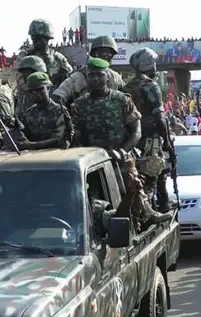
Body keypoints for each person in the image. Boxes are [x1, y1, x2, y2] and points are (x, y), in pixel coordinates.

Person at [72, 57, 171, 226]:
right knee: (94, 198)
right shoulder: (79, 105)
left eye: (99, 75)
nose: (95, 79)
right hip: (93, 161)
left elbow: (136, 131)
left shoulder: (122, 100)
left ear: (107, 77)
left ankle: (146, 216)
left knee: (134, 186)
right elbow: (77, 137)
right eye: (91, 75)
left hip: (121, 156)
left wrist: (123, 151)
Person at [124, 47, 175, 211]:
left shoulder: (127, 87)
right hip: (150, 138)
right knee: (152, 175)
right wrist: (167, 142)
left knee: (152, 173)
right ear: (148, 65)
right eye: (154, 64)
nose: (156, 68)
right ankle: (148, 211)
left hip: (133, 138)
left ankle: (162, 203)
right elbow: (160, 118)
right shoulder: (150, 86)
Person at [52, 35, 125, 108]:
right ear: (94, 54)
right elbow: (58, 96)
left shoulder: (115, 76)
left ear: (112, 55)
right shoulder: (78, 76)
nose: (104, 54)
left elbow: (127, 94)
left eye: (108, 51)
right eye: (100, 51)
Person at [16, 72, 73, 151]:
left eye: (39, 89)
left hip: (56, 156)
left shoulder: (60, 111)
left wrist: (32, 145)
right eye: (31, 91)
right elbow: (24, 135)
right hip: (33, 158)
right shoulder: (29, 113)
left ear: (48, 88)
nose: (34, 93)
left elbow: (59, 140)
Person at [16, 19, 73, 90]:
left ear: (47, 38)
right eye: (34, 39)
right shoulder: (25, 56)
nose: (37, 42)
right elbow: (20, 79)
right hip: (30, 95)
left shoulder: (59, 58)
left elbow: (70, 78)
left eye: (40, 39)